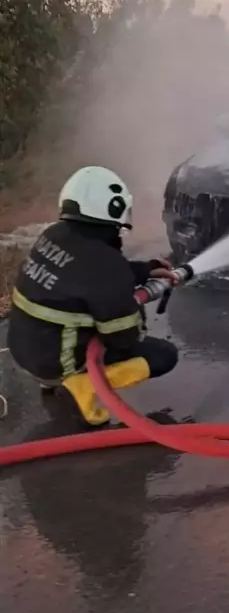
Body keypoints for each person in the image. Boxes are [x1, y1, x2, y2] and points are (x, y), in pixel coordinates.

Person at [7, 166, 180, 427]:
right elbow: (122, 338)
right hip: (57, 362)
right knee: (164, 355)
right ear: (113, 208)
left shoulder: (53, 235)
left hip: (25, 351)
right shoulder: (105, 263)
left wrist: (144, 270)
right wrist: (131, 306)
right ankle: (83, 385)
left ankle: (53, 381)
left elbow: (85, 275)